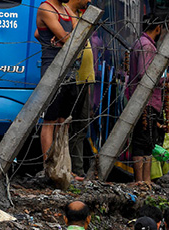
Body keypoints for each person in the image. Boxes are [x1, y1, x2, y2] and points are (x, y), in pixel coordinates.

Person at [35, 0, 79, 168]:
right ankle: (50, 167)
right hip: (52, 69)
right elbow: (71, 39)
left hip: (69, 70)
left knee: (64, 120)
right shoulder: (46, 8)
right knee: (50, 120)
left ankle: (63, 167)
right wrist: (63, 39)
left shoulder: (66, 9)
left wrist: (63, 38)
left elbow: (78, 34)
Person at [127, 16, 167, 183]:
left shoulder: (141, 43)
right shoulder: (147, 46)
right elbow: (145, 74)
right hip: (146, 101)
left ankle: (145, 180)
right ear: (158, 28)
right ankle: (141, 181)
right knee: (142, 140)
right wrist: (164, 79)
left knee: (147, 142)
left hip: (144, 100)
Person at [66, 0, 95, 180]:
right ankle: (75, 169)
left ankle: (77, 168)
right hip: (74, 80)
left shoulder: (81, 15)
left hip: (85, 79)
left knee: (82, 127)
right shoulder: (66, 14)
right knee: (73, 127)